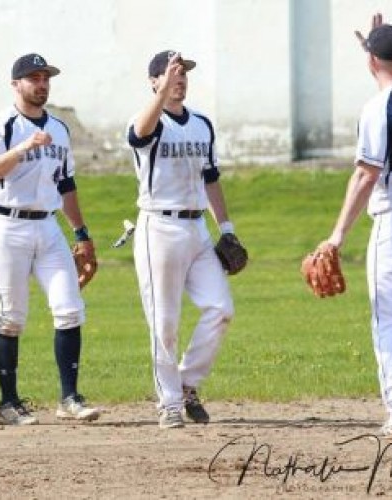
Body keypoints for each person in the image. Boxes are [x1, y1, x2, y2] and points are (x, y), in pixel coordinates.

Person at [0, 53, 100, 425]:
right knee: (11, 317)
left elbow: (66, 183)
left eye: (45, 77)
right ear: (16, 84)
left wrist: (81, 233)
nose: (41, 84)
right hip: (6, 225)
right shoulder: (0, 126)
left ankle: (70, 398)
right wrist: (23, 148)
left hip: (48, 226)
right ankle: (9, 402)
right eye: (33, 78)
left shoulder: (60, 129)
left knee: (70, 309)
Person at [126, 50, 242, 429]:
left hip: (196, 229)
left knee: (221, 308)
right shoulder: (149, 121)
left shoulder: (202, 124)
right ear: (154, 81)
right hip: (158, 227)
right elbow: (139, 133)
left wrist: (226, 228)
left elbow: (211, 179)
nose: (181, 77)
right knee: (165, 323)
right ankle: (170, 403)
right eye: (173, 72)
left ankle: (187, 381)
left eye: (184, 72)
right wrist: (159, 95)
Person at [320, 14, 392, 439]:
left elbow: (366, 175)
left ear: (372, 62)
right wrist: (376, 49)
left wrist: (337, 235)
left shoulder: (378, 108)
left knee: (391, 320)